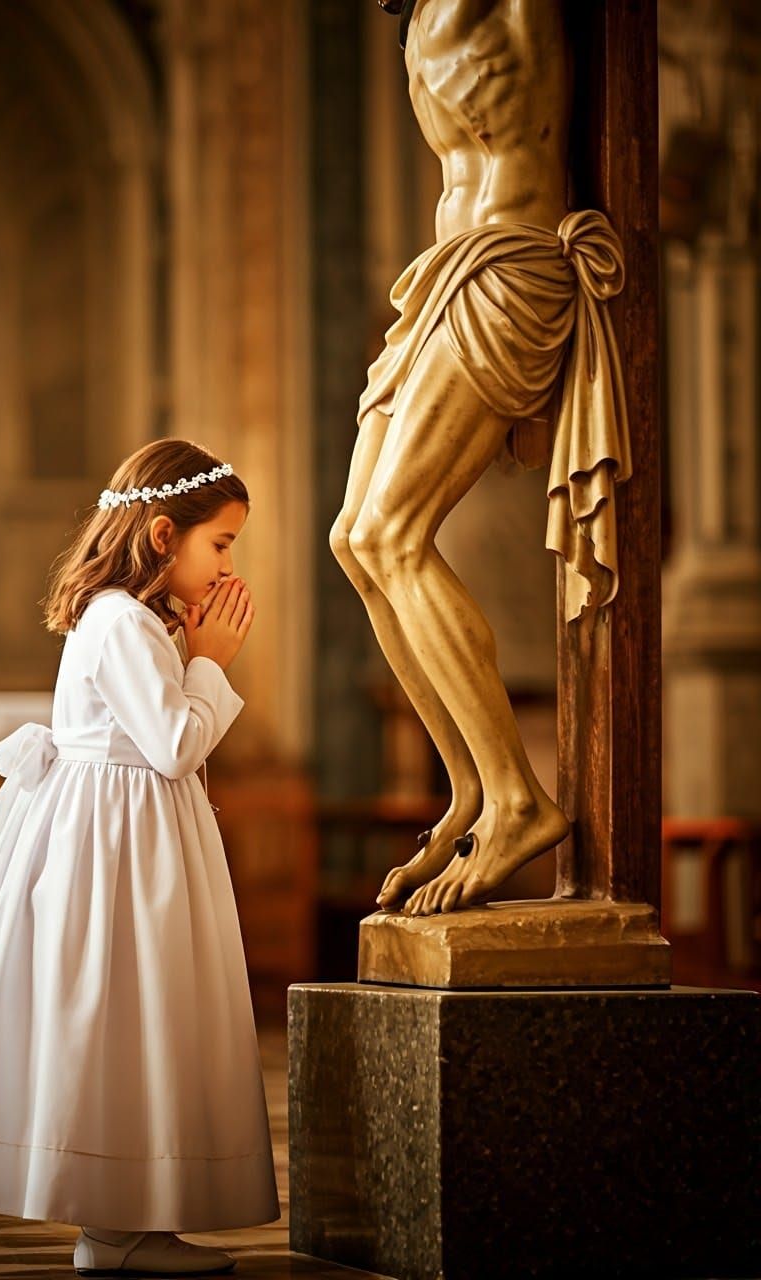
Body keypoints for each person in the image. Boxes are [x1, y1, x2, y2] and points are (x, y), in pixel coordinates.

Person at [0, 439, 280, 1276]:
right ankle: (112, 1225)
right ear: (159, 536)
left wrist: (192, 655)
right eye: (219, 543)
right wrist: (212, 663)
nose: (226, 566)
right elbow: (175, 744)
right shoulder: (118, 620)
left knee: (142, 1024)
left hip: (138, 840)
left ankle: (129, 1223)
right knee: (117, 1018)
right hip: (117, 853)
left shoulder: (137, 621)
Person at [331, 0, 630, 917]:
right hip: (443, 273)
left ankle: (518, 799)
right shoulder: (417, 20)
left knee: (393, 533)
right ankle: (468, 789)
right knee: (354, 539)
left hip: (508, 266)